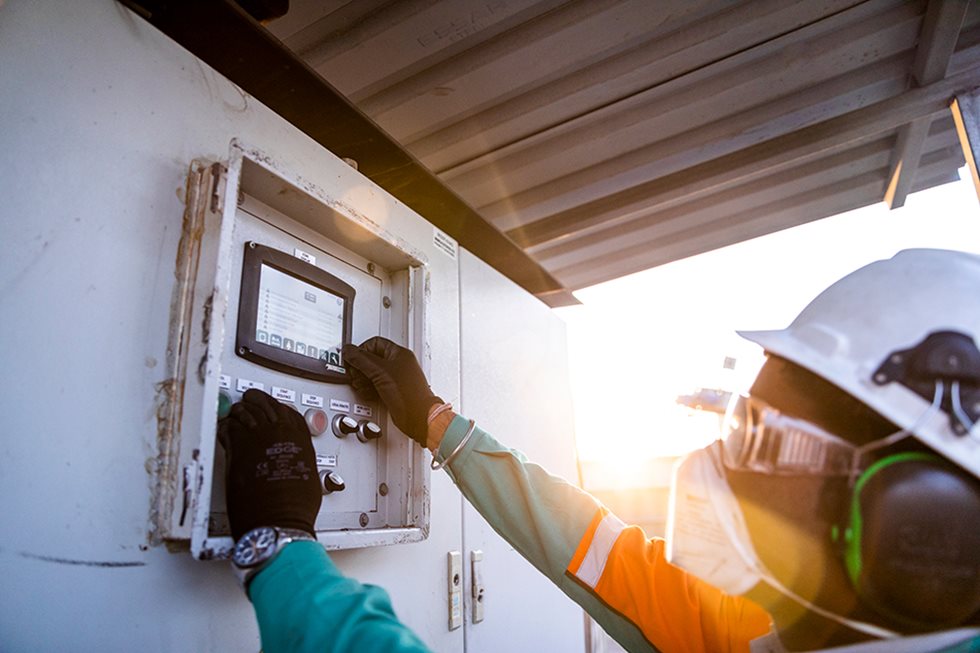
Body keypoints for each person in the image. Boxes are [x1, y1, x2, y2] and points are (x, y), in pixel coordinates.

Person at [220, 248, 980, 653]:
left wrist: (279, 547)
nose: (718, 467)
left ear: (921, 524)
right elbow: (592, 544)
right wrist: (436, 422)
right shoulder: (782, 634)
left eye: (760, 439)